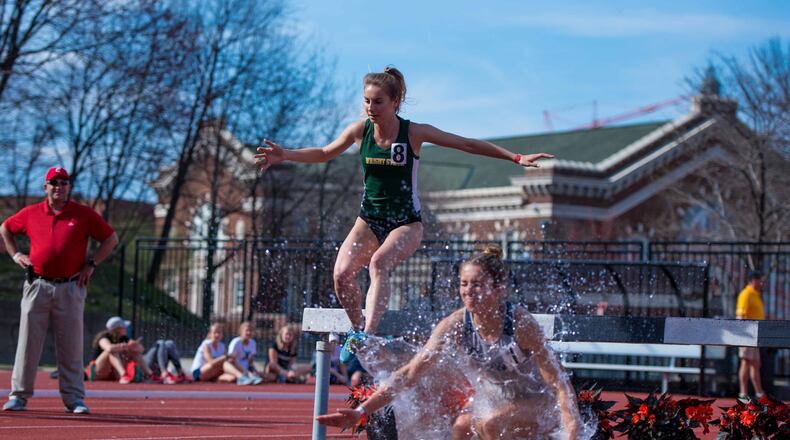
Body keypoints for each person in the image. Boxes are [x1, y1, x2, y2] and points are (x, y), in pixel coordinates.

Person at [254, 66, 554, 363]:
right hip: (369, 219)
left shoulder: (414, 133)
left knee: (378, 263)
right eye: (367, 101)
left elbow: (466, 143)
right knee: (341, 274)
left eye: (378, 102)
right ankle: (356, 330)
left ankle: (368, 335)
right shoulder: (360, 131)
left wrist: (515, 157)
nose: (371, 108)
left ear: (395, 102)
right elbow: (324, 153)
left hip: (406, 223)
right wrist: (286, 154)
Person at [317, 246, 582, 439]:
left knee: (490, 423)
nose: (469, 291)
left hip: (539, 402)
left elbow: (558, 382)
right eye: (464, 284)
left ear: (499, 287)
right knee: (461, 428)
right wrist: (362, 411)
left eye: (478, 284)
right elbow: (409, 373)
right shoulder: (455, 325)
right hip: (497, 401)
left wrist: (572, 429)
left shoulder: (520, 325)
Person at [1, 166, 119, 414]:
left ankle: (74, 398)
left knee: (72, 345)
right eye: (54, 182)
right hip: (37, 285)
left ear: (69, 187)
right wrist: (16, 255)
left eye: (64, 182)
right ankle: (19, 396)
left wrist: (92, 264)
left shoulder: (83, 214)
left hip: (71, 286)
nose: (59, 186)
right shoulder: (32, 213)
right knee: (28, 343)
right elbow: (5, 229)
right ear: (45, 187)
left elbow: (110, 239)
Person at [86, 316, 152, 384]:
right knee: (112, 352)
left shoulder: (124, 338)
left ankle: (150, 374)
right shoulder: (103, 338)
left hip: (112, 372)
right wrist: (124, 346)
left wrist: (134, 345)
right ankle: (124, 375)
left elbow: (141, 349)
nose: (126, 328)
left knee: (134, 352)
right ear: (117, 329)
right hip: (97, 370)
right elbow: (109, 348)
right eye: (124, 327)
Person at [736, 270, 766, 399]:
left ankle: (759, 393)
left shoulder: (756, 294)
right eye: (759, 280)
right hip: (747, 334)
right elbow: (740, 315)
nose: (761, 283)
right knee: (746, 361)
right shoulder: (746, 294)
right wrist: (743, 335)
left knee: (756, 364)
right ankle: (743, 393)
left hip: (755, 335)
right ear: (753, 280)